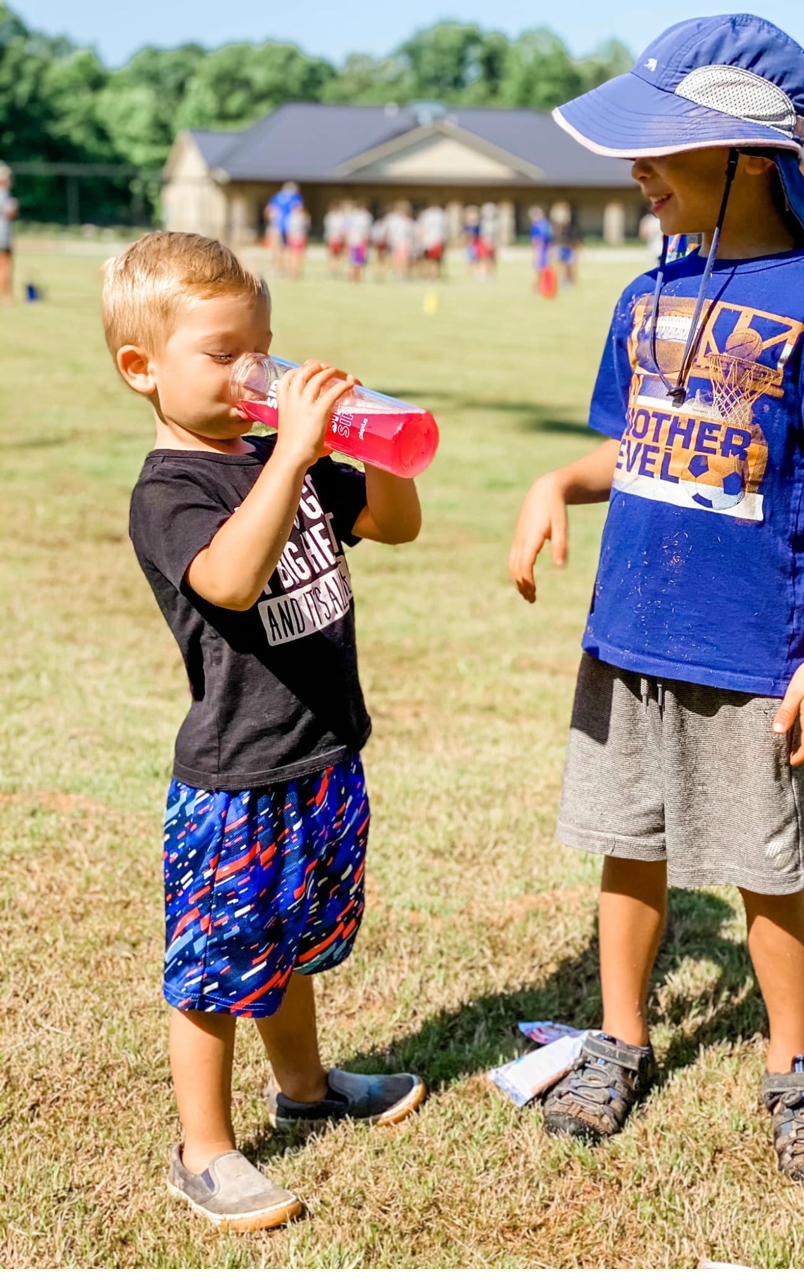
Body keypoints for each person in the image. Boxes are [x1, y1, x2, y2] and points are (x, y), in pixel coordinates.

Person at [509, 14, 804, 1185]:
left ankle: (794, 1068)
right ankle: (619, 1041)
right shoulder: (643, 298)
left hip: (751, 646)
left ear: (745, 159)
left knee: (764, 865)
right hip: (628, 629)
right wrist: (550, 481)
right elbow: (633, 452)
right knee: (627, 847)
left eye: (661, 151)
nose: (637, 174)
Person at [102, 231, 425, 1231]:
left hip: (321, 754)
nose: (256, 372)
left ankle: (307, 1087)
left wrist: (373, 444)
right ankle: (203, 1148)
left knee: (286, 942)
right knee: (215, 963)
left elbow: (395, 524)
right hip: (236, 775)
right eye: (224, 352)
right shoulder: (174, 490)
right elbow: (232, 580)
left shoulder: (270, 457)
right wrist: (290, 453)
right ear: (142, 369)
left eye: (266, 346)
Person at [264, 182, 303, 274]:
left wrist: (271, 219)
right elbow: (299, 210)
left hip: (277, 225)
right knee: (288, 249)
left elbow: (268, 210)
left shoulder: (277, 197)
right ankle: (286, 268)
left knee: (277, 249)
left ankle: (278, 268)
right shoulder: (296, 198)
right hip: (289, 226)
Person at [0, 163, 19, 304]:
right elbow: (10, 214)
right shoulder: (4, 194)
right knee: (5, 265)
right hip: (3, 236)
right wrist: (14, 207)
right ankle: (6, 295)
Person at [529, 205, 554, 292]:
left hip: (543, 250)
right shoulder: (541, 225)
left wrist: (536, 253)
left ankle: (540, 287)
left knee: (542, 270)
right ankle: (538, 288)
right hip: (541, 250)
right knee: (540, 270)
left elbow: (538, 240)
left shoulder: (542, 225)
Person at [286, 201, 311, 279]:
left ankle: (297, 272)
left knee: (299, 256)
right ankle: (294, 272)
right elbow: (289, 230)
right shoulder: (292, 217)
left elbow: (307, 227)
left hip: (300, 238)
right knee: (294, 256)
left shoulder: (301, 217)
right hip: (295, 238)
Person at [323, 202, 347, 277]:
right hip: (333, 239)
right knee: (332, 255)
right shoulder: (329, 217)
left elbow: (343, 229)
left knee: (338, 255)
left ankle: (337, 269)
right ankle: (333, 269)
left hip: (338, 239)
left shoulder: (340, 217)